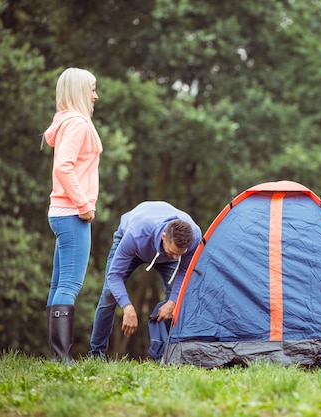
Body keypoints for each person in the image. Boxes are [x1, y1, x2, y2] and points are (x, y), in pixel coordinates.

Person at [88, 201, 202, 359]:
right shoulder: (136, 234)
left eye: (180, 254)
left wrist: (173, 301)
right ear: (164, 237)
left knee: (177, 300)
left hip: (162, 251)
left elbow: (183, 270)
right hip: (135, 246)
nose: (176, 258)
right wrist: (127, 307)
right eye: (173, 252)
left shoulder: (194, 238)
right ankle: (96, 354)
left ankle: (170, 355)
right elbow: (114, 276)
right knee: (109, 294)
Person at [44, 67, 102, 363]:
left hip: (61, 212)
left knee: (58, 285)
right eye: (92, 89)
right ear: (79, 91)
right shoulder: (78, 124)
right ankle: (62, 358)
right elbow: (63, 167)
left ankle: (58, 357)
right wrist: (84, 205)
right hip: (71, 214)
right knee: (69, 285)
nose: (95, 95)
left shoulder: (66, 122)